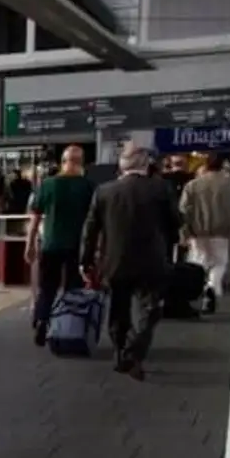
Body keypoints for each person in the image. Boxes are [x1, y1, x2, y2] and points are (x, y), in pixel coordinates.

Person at [80, 144, 182, 382]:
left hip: (115, 261)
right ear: (146, 165)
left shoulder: (104, 191)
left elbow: (90, 229)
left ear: (121, 166)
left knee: (118, 309)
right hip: (152, 261)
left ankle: (119, 354)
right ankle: (134, 352)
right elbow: (175, 223)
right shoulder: (160, 188)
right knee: (151, 310)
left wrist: (85, 261)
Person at [26, 145, 97, 345]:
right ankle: (69, 327)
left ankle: (41, 320)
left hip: (51, 244)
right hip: (77, 246)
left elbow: (35, 218)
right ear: (82, 163)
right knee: (72, 288)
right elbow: (94, 221)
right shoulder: (88, 186)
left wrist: (29, 244)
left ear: (62, 162)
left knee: (47, 287)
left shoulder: (47, 184)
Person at [179, 152, 230, 314]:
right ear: (223, 165)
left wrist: (184, 232)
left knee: (199, 261)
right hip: (222, 229)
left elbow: (183, 210)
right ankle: (212, 289)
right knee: (219, 262)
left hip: (198, 230)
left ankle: (196, 292)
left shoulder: (193, 185)